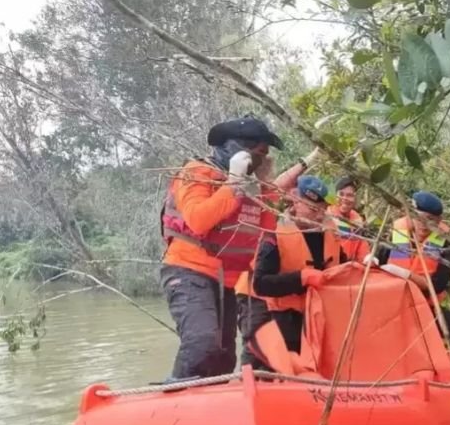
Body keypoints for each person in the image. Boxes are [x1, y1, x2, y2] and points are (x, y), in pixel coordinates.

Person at [158, 114, 319, 380]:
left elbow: (267, 220)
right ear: (236, 149)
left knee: (223, 355)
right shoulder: (198, 173)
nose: (262, 160)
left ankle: (210, 406)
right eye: (258, 153)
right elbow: (199, 220)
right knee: (201, 344)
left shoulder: (256, 186)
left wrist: (274, 183)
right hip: (189, 271)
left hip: (228, 280)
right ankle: (175, 396)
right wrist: (233, 183)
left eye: (265, 154)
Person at [373, 191, 450, 372]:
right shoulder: (394, 234)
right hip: (391, 309)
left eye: (432, 221)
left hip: (425, 309)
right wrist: (372, 261)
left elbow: (437, 284)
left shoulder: (446, 244)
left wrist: (406, 275)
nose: (425, 225)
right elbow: (377, 265)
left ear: (439, 221)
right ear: (411, 214)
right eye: (421, 218)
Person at [251, 175, 347, 354]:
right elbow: (260, 284)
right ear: (296, 201)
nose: (318, 215)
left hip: (321, 316)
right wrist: (301, 278)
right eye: (312, 208)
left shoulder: (330, 233)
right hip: (284, 318)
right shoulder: (276, 235)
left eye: (322, 209)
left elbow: (343, 265)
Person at [327, 176, 370, 261]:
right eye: (341, 194)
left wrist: (367, 259)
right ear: (335, 195)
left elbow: (362, 248)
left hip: (349, 267)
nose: (345, 198)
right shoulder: (327, 214)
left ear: (355, 198)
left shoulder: (358, 219)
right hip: (330, 264)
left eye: (350, 195)